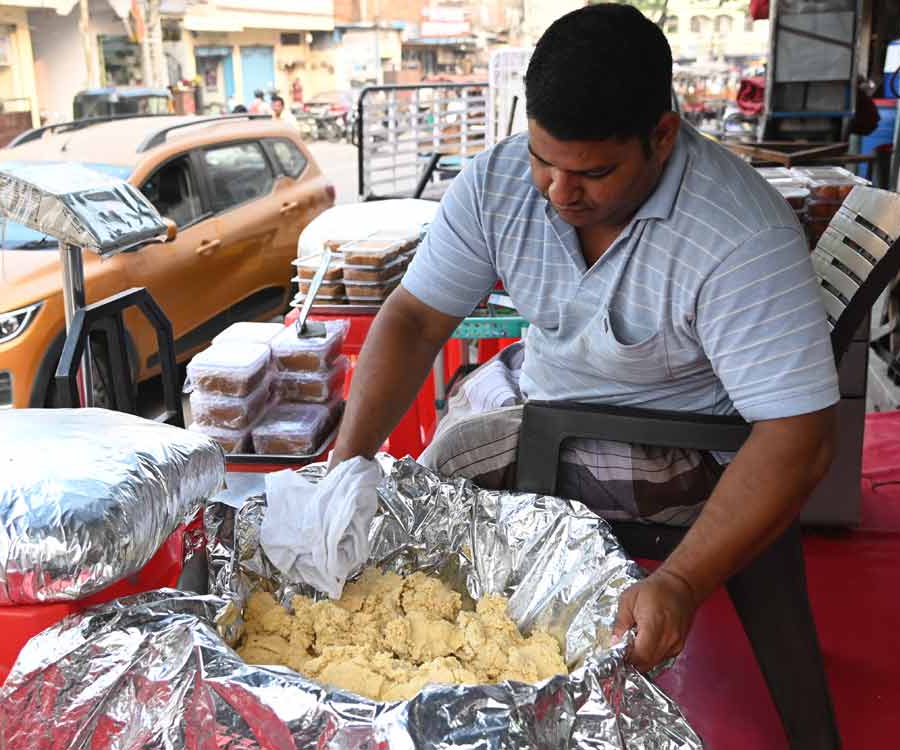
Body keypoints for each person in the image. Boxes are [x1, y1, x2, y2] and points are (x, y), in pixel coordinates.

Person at [331, 3, 839, 682]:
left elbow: (799, 438)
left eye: (594, 174)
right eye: (545, 161)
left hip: (676, 441)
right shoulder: (499, 181)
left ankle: (467, 676)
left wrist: (681, 581)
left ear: (662, 135)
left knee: (433, 493)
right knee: (423, 447)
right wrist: (342, 467)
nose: (560, 192)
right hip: (554, 396)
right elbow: (416, 319)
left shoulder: (737, 233)